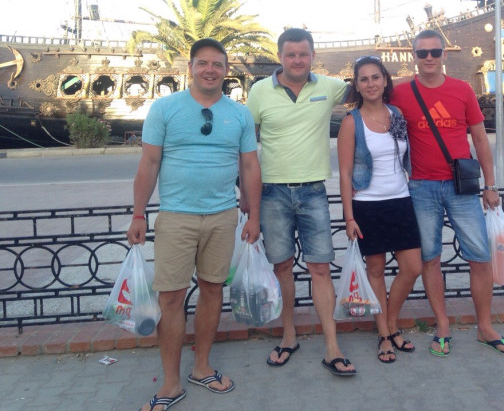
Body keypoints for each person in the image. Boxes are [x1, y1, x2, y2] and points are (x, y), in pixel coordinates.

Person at [127, 38, 262, 411]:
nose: (210, 70)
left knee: (213, 290)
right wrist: (138, 214)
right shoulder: (165, 109)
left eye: (217, 64)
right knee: (170, 297)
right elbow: (149, 163)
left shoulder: (239, 114)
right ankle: (170, 383)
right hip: (176, 217)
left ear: (226, 70)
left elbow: (250, 165)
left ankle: (202, 367)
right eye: (203, 63)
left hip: (223, 216)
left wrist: (254, 215)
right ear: (190, 68)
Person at [390, 29, 504, 358]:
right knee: (430, 259)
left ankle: (485, 326)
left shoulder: (462, 90)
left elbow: (480, 139)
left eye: (435, 52)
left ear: (444, 55)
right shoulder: (401, 93)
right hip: (420, 187)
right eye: (422, 53)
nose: (429, 58)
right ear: (414, 56)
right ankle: (442, 324)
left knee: (480, 257)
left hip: (461, 187)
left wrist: (491, 185)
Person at [246, 28, 357, 376]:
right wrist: (247, 198)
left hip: (313, 192)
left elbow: (372, 87)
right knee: (282, 267)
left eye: (303, 54)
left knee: (320, 268)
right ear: (280, 57)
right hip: (272, 194)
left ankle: (332, 345)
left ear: (313, 56)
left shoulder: (328, 86)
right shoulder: (259, 91)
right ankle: (289, 335)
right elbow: (246, 147)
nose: (297, 60)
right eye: (291, 55)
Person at [336, 55, 422, 363]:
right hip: (368, 206)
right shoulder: (351, 122)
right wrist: (349, 217)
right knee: (376, 270)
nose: (370, 83)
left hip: (401, 200)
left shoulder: (396, 114)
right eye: (364, 79)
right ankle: (384, 334)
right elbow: (345, 173)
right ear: (357, 86)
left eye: (376, 77)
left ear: (385, 81)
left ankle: (392, 321)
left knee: (412, 268)